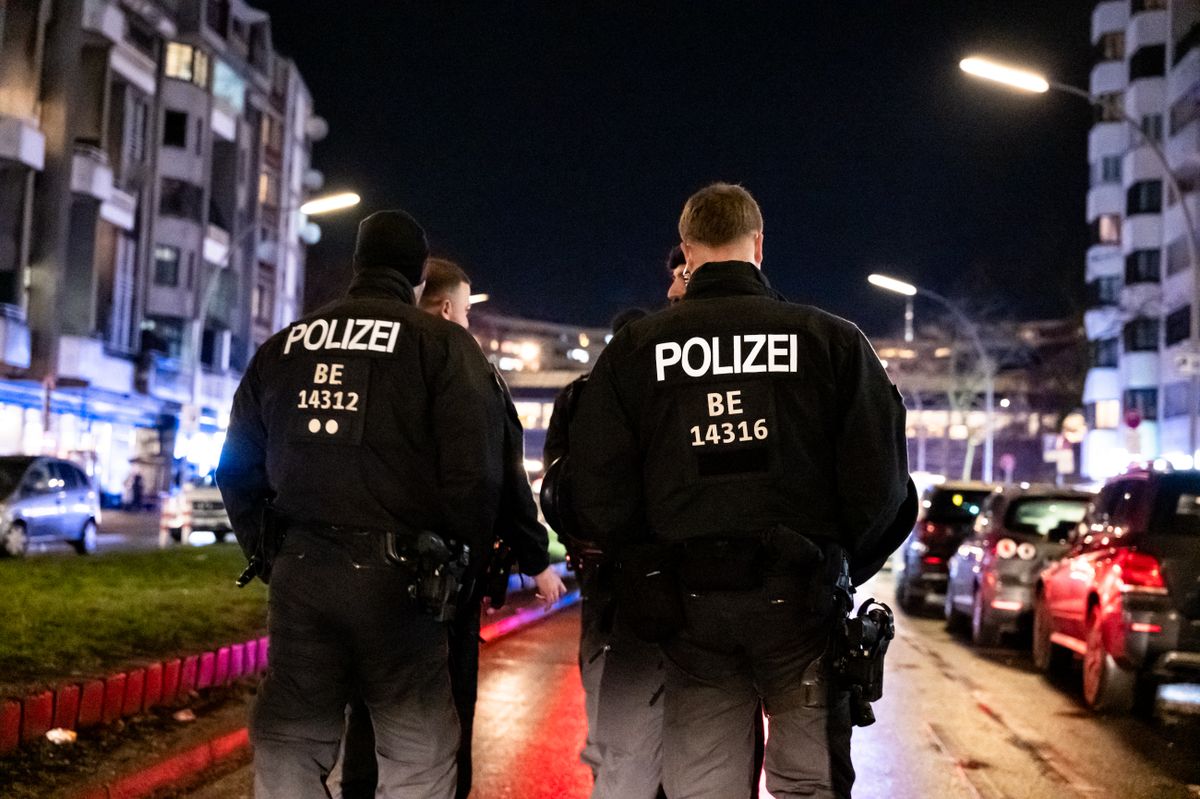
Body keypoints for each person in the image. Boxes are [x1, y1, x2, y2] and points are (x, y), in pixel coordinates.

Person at [569, 183, 909, 799]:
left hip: (690, 609)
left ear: (687, 252)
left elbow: (594, 484)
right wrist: (840, 564)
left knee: (703, 785)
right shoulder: (831, 342)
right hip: (800, 604)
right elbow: (882, 485)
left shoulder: (635, 353)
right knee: (810, 784)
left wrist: (644, 567)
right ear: (758, 244)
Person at [216, 209, 508, 799]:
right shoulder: (442, 349)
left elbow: (235, 470)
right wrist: (457, 565)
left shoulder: (284, 347)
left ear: (357, 263)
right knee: (419, 754)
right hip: (403, 587)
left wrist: (271, 553)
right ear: (419, 276)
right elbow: (474, 479)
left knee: (291, 742)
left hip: (301, 576)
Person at [339, 256, 566, 799]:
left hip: (360, 575)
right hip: (437, 583)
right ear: (445, 308)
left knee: (368, 716)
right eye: (465, 310)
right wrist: (533, 559)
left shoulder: (365, 360)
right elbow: (498, 470)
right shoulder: (465, 367)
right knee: (442, 722)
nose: (466, 322)